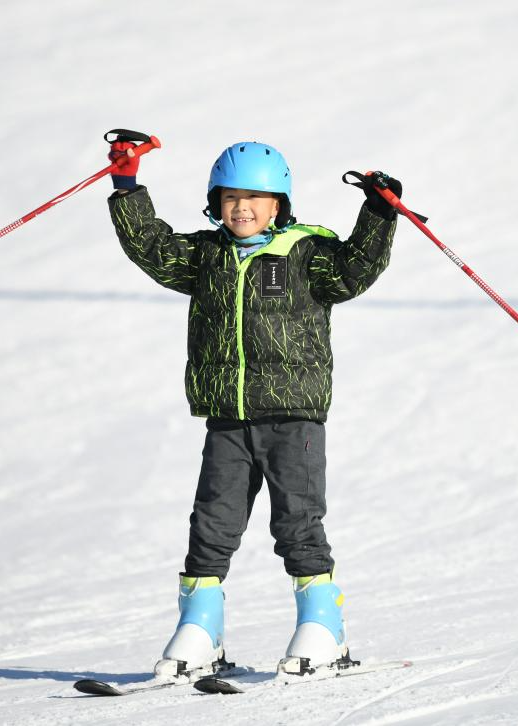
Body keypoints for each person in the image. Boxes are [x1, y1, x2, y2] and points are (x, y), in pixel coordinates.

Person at [106, 135, 400, 678]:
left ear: (278, 205)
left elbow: (354, 271)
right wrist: (127, 182)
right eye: (230, 198)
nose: (241, 208)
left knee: (297, 524)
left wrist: (378, 211)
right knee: (211, 525)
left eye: (255, 199)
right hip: (227, 418)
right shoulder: (206, 256)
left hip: (294, 417)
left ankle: (323, 627)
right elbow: (151, 246)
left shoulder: (307, 252)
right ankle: (200, 630)